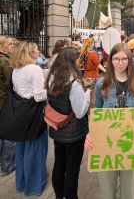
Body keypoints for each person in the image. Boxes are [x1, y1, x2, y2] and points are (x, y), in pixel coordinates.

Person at [85, 43, 134, 199]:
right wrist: (91, 135)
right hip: (107, 142)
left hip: (130, 142)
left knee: (128, 192)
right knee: (107, 191)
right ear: (110, 61)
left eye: (124, 59)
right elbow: (97, 113)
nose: (120, 62)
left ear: (129, 60)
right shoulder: (102, 84)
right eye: (116, 59)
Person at [45, 47, 91, 199]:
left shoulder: (51, 77)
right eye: (77, 59)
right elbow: (80, 112)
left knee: (59, 164)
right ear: (72, 61)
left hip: (58, 129)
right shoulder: (74, 84)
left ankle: (59, 196)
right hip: (74, 134)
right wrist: (87, 94)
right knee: (72, 169)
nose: (79, 62)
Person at [10, 41, 48, 196]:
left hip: (20, 113)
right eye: (36, 48)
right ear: (29, 52)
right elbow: (39, 96)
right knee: (36, 149)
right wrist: (49, 89)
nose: (38, 50)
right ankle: (35, 185)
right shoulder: (34, 69)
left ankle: (22, 183)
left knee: (22, 149)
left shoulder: (16, 69)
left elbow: (17, 90)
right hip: (34, 113)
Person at [0, 35, 15, 176]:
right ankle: (7, 165)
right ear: (2, 46)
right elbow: (11, 83)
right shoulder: (4, 61)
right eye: (10, 44)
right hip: (4, 102)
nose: (12, 46)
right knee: (8, 134)